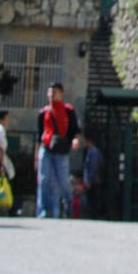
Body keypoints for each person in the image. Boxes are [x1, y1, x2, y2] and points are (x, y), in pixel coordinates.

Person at [34, 83, 80, 219]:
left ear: (61, 93)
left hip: (61, 149)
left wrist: (75, 140)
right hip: (46, 148)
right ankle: (43, 210)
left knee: (63, 180)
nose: (51, 95)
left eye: (54, 92)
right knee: (43, 179)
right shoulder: (43, 112)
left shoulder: (69, 111)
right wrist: (36, 157)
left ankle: (68, 201)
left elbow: (75, 130)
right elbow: (39, 135)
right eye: (49, 92)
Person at [73, 133, 103, 218]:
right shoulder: (90, 151)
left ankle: (95, 216)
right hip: (91, 181)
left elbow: (93, 167)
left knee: (93, 200)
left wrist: (89, 181)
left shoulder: (93, 152)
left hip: (93, 182)